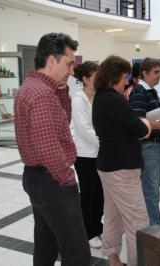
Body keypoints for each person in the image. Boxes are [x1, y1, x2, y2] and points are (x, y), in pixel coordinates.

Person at [14, 33, 90, 266]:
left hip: (37, 178)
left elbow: (61, 122)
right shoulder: (41, 95)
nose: (71, 70)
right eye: (68, 64)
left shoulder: (34, 86)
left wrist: (62, 88)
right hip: (53, 182)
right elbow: (48, 148)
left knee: (46, 245)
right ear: (51, 61)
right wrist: (67, 179)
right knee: (77, 251)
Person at [92, 55, 151, 266]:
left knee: (113, 216)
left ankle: (114, 259)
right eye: (125, 77)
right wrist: (145, 122)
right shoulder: (114, 100)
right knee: (138, 222)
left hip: (109, 166)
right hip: (121, 169)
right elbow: (141, 130)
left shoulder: (100, 97)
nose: (127, 82)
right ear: (114, 76)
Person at [128, 57, 160, 225]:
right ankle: (154, 229)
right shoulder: (140, 92)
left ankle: (150, 225)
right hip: (147, 147)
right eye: (156, 72)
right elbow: (138, 121)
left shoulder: (150, 91)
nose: (159, 76)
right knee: (151, 191)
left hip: (152, 146)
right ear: (144, 73)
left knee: (151, 190)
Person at [71, 61, 103, 249]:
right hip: (85, 156)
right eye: (95, 76)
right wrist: (107, 142)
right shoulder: (78, 100)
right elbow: (85, 130)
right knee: (89, 194)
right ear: (85, 79)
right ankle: (89, 231)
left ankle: (97, 226)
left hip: (100, 153)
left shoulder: (98, 97)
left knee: (100, 193)